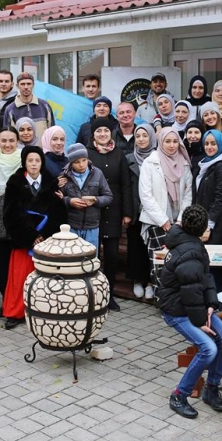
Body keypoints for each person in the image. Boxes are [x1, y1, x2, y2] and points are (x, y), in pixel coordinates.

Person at [158, 204, 222, 419]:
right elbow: (190, 294)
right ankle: (179, 395)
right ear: (200, 231)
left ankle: (211, 388)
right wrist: (201, 321)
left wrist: (211, 305)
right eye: (207, 227)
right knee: (208, 348)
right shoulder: (189, 252)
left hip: (193, 306)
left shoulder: (195, 245)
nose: (209, 230)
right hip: (176, 310)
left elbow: (205, 278)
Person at [2, 146, 66, 329]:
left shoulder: (50, 182)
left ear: (42, 162)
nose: (34, 164)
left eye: (37, 160)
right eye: (30, 160)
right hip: (24, 241)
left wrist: (44, 236)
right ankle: (15, 313)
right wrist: (31, 236)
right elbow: (11, 213)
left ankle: (42, 311)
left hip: (46, 241)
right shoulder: (14, 182)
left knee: (44, 279)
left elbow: (58, 213)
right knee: (19, 278)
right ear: (24, 162)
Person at [87, 118, 134, 311]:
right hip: (92, 211)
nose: (103, 134)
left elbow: (125, 184)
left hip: (114, 211)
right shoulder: (87, 153)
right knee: (93, 255)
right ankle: (92, 294)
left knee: (112, 256)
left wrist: (127, 212)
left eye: (106, 131)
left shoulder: (118, 154)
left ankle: (109, 294)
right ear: (94, 134)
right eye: (99, 131)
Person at [139, 127, 193, 291]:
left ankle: (174, 302)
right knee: (159, 264)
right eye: (167, 141)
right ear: (160, 142)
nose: (171, 145)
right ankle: (161, 301)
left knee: (176, 264)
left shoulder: (184, 163)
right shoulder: (151, 162)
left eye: (175, 141)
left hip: (179, 223)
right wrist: (164, 222)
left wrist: (180, 220)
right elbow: (145, 195)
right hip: (157, 223)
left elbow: (188, 194)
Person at [193, 130, 222, 291]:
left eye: (213, 143)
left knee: (213, 266)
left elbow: (221, 198)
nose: (209, 147)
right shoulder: (205, 163)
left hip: (215, 224)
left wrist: (208, 225)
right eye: (207, 143)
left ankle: (216, 305)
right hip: (202, 222)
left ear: (220, 144)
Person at [0, 128, 22, 315]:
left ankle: (19, 302)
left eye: (11, 140)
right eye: (4, 141)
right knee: (2, 265)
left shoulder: (24, 161)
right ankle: (6, 300)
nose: (8, 144)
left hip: (19, 219)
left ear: (17, 141)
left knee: (19, 265)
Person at [59, 143, 113, 248]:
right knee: (73, 260)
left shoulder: (97, 173)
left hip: (92, 226)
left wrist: (96, 200)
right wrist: (69, 201)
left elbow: (108, 196)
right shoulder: (63, 176)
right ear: (71, 162)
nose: (81, 164)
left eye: (84, 160)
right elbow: (58, 199)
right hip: (71, 227)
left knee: (90, 260)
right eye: (77, 162)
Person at [125, 124, 157, 299]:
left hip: (153, 211)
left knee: (151, 248)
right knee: (135, 247)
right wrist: (127, 212)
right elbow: (125, 187)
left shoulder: (159, 157)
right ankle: (137, 280)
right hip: (135, 211)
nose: (142, 139)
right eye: (138, 136)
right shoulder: (129, 158)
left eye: (145, 135)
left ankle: (151, 283)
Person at [2, 72, 55, 142]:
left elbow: (52, 132)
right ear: (17, 86)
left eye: (29, 84)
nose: (26, 87)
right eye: (23, 84)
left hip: (42, 152)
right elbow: (7, 136)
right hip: (20, 152)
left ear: (33, 85)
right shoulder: (10, 109)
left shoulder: (45, 106)